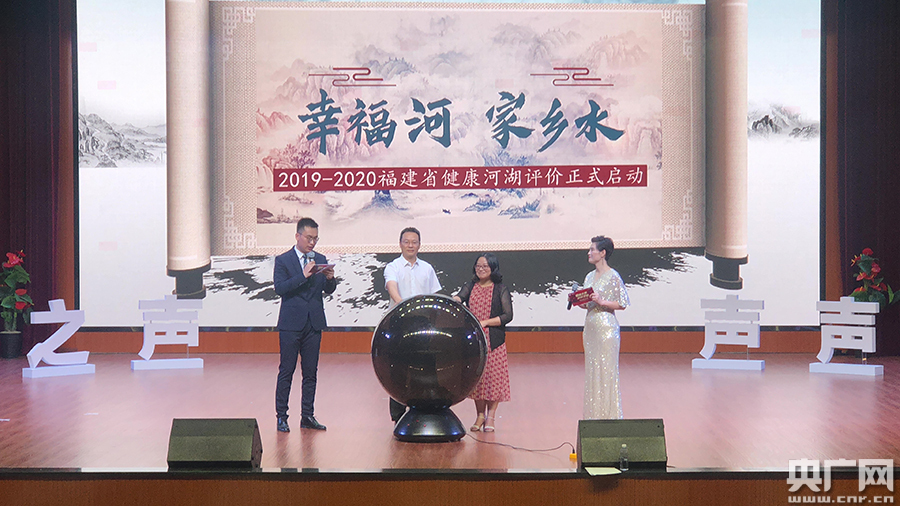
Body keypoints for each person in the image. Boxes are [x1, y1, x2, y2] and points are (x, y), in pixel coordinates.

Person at [273, 217, 337, 432]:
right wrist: (302, 275)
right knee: (286, 371)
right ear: (297, 236)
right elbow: (280, 288)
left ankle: (307, 416)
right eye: (309, 238)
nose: (312, 242)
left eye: (315, 239)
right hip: (291, 324)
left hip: (314, 323)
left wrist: (330, 279)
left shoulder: (320, 259)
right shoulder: (283, 260)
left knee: (310, 372)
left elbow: (328, 290)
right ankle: (282, 416)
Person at [383, 226, 442, 422]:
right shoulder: (393, 267)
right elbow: (392, 287)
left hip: (423, 324)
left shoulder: (427, 268)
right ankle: (398, 416)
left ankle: (425, 409)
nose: (410, 245)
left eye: (414, 242)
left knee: (425, 366)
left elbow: (434, 297)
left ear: (419, 245)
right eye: (406, 242)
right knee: (398, 368)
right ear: (400, 244)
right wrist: (403, 305)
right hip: (400, 321)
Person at [453, 253, 512, 433]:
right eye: (478, 266)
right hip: (475, 340)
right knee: (478, 378)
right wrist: (455, 299)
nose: (481, 269)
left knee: (493, 378)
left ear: (493, 268)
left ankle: (491, 416)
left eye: (485, 266)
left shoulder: (500, 289)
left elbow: (507, 316)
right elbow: (460, 297)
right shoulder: (470, 286)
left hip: (494, 339)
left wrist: (486, 322)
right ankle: (479, 415)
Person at [580, 235, 630, 420]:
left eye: (592, 249)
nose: (589, 253)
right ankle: (594, 415)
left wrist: (602, 301)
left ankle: (609, 416)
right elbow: (587, 303)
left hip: (606, 329)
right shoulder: (589, 276)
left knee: (606, 370)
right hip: (591, 328)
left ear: (602, 253)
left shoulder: (613, 276)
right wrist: (580, 301)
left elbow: (622, 303)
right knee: (593, 370)